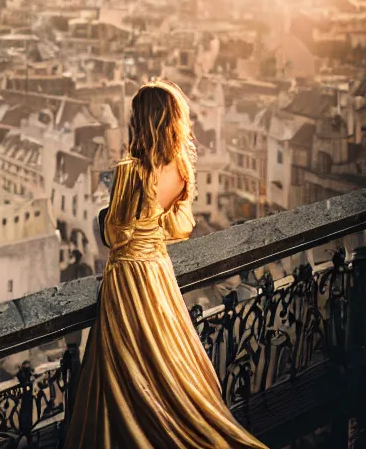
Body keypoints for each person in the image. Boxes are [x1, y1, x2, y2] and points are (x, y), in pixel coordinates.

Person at [64, 80, 267, 449]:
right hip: (158, 271)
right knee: (163, 353)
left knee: (123, 361)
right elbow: (179, 227)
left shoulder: (130, 169)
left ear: (142, 122)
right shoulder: (181, 169)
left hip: (127, 275)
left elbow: (115, 234)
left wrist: (108, 213)